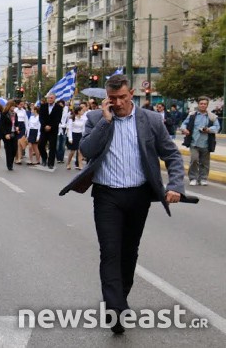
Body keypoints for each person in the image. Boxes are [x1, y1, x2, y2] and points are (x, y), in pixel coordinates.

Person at [60, 74, 185, 334]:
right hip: (107, 196)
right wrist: (106, 122)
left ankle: (121, 300)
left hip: (139, 196)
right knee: (110, 252)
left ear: (131, 95)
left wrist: (175, 186)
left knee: (129, 253)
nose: (117, 103)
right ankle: (115, 310)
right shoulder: (96, 118)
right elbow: (87, 150)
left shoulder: (150, 120)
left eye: (122, 98)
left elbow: (171, 154)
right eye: (112, 98)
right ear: (107, 96)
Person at [180, 96, 220, 186]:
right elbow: (184, 124)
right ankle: (193, 178)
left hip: (206, 143)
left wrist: (208, 129)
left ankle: (203, 178)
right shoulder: (192, 115)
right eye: (201, 103)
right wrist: (184, 129)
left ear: (207, 105)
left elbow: (217, 127)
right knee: (194, 160)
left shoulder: (212, 116)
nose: (203, 105)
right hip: (194, 142)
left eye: (205, 104)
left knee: (205, 162)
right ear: (198, 104)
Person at [38, 94, 63, 169]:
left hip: (53, 130)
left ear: (54, 99)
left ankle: (51, 163)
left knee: (52, 147)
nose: (49, 99)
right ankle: (44, 158)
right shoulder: (43, 106)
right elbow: (41, 117)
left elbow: (58, 119)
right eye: (48, 98)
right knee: (41, 145)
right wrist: (45, 125)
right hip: (44, 129)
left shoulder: (59, 107)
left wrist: (50, 126)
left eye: (51, 98)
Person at [65, 106, 85, 170]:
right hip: (73, 135)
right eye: (82, 110)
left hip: (80, 135)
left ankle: (80, 164)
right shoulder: (72, 118)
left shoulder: (83, 119)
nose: (83, 112)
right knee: (72, 151)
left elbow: (83, 129)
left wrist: (84, 137)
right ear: (78, 111)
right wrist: (70, 138)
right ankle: (68, 163)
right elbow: (69, 129)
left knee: (80, 151)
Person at [0, 101, 17, 171]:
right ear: (9, 106)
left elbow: (17, 123)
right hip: (7, 134)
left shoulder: (15, 114)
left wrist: (17, 127)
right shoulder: (4, 114)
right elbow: (2, 125)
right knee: (9, 150)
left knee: (14, 149)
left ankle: (11, 162)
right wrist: (5, 134)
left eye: (14, 106)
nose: (13, 108)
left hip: (14, 133)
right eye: (12, 106)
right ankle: (9, 165)